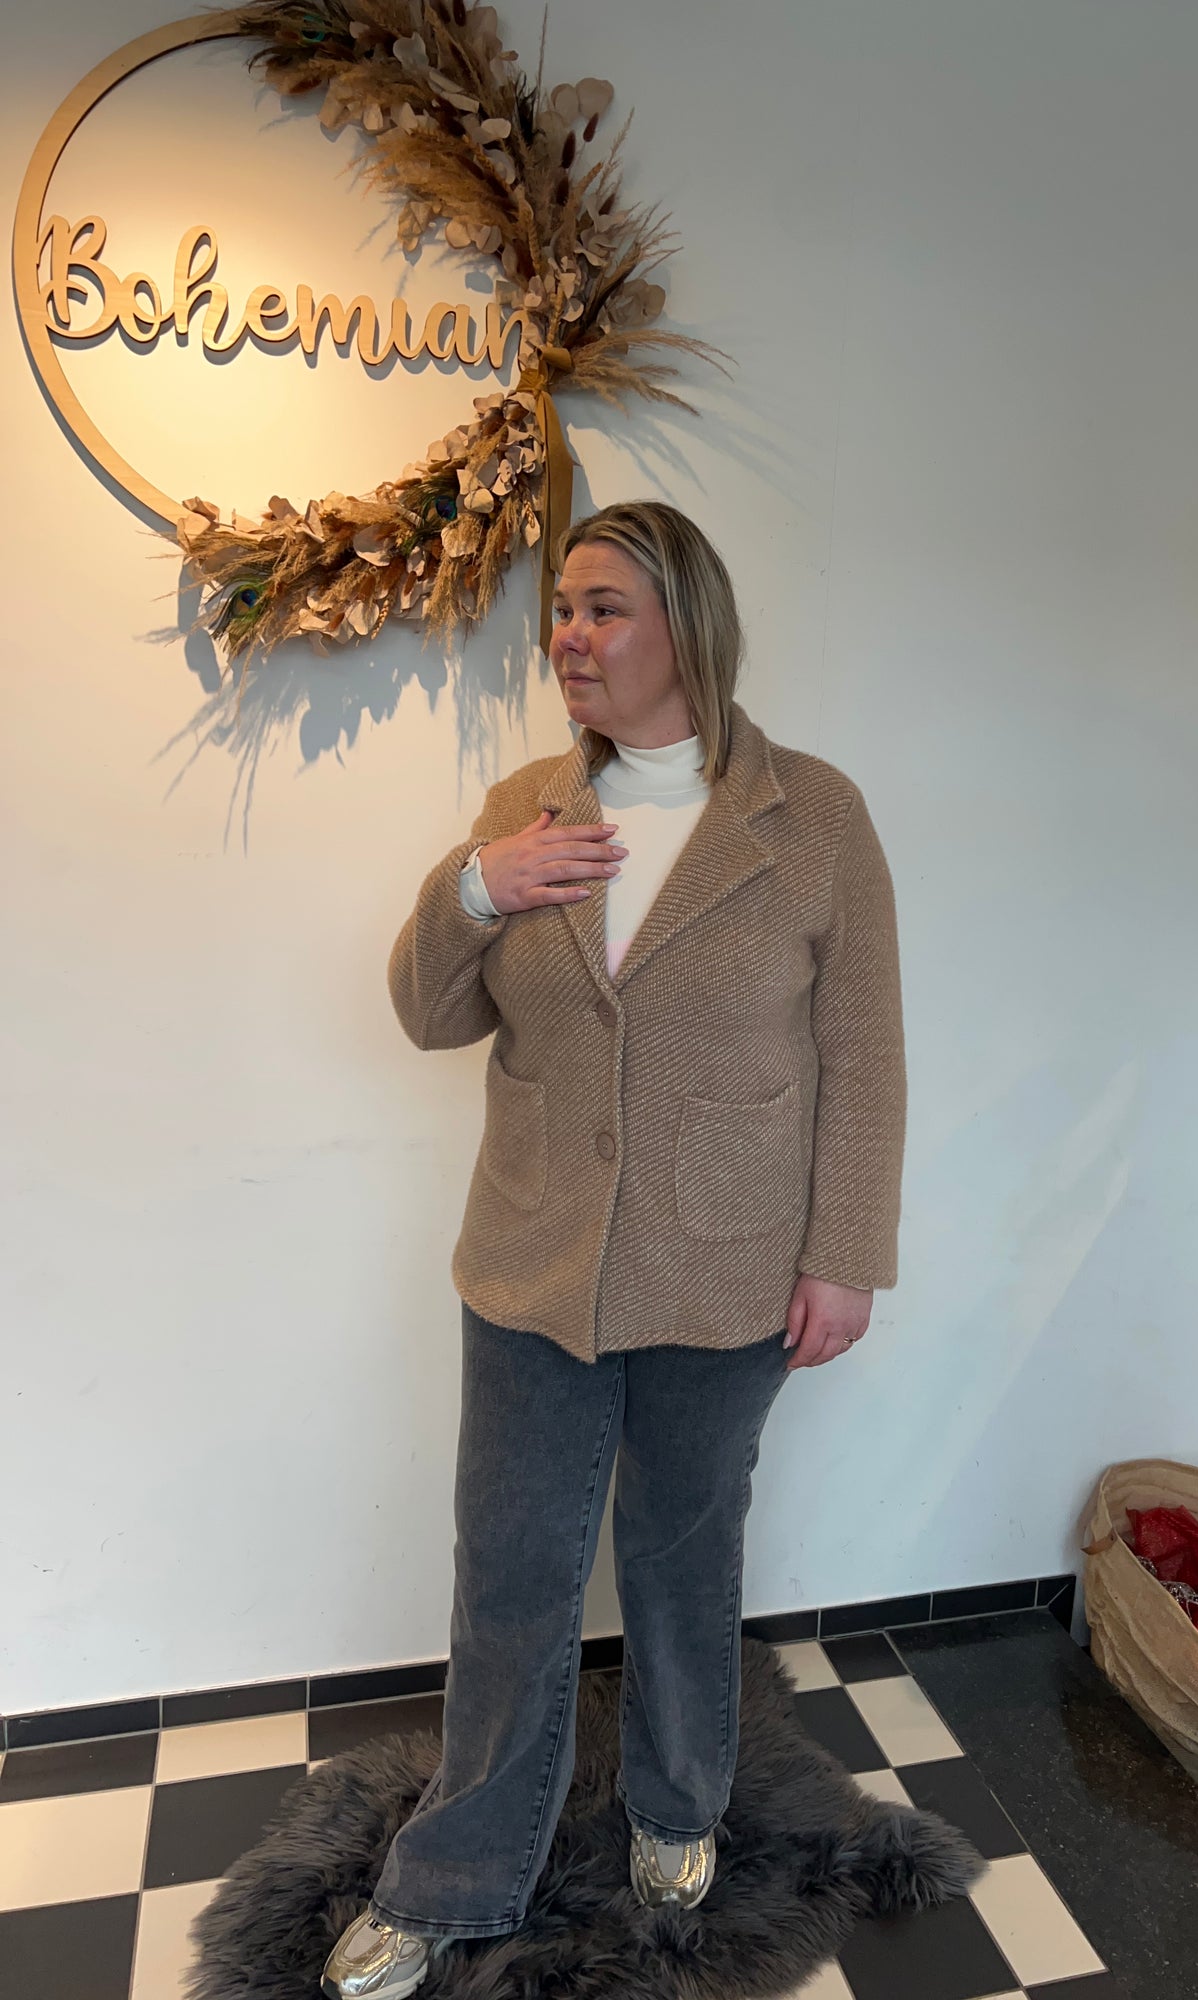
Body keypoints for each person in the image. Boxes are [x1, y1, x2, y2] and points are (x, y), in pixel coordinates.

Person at [322, 500, 906, 1998]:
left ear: (685, 626)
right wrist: (477, 887)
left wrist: (846, 1254)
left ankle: (680, 1805)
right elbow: (429, 1015)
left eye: (602, 609)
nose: (569, 639)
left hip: (726, 1263)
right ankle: (454, 1877)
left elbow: (864, 1054)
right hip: (532, 1260)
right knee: (509, 1574)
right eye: (562, 613)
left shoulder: (814, 816)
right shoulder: (528, 807)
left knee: (682, 1558)